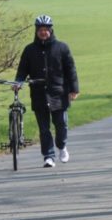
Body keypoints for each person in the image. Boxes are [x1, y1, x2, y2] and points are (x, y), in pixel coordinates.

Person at [14, 14, 80, 168]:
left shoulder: (62, 48)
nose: (43, 32)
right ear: (36, 31)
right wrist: (18, 82)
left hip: (59, 93)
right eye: (40, 30)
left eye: (46, 29)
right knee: (44, 129)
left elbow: (71, 70)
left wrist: (74, 89)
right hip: (38, 94)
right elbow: (22, 70)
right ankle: (48, 156)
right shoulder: (29, 50)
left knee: (61, 125)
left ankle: (62, 146)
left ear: (51, 30)